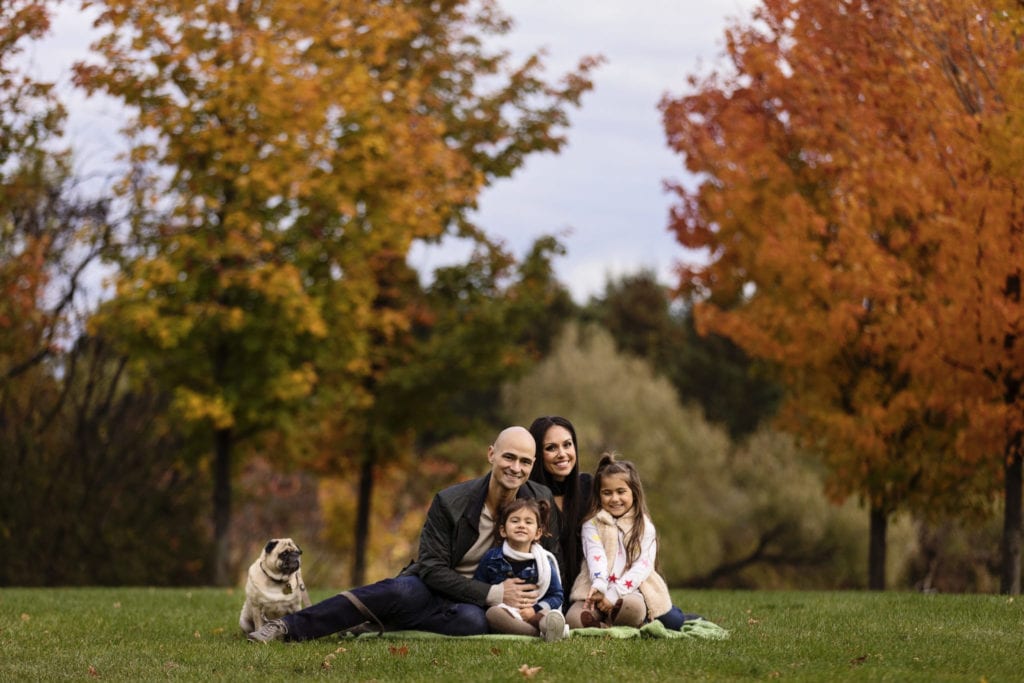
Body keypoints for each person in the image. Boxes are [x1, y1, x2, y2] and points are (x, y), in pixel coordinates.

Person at [247, 426, 555, 642]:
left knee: (472, 623)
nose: (516, 467)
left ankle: (381, 621)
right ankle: (286, 626)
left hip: (472, 605)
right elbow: (432, 568)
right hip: (433, 586)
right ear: (491, 454)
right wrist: (494, 593)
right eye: (509, 457)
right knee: (396, 592)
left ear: (533, 466)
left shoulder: (537, 501)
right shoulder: (451, 502)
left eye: (525, 461)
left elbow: (554, 557)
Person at [565, 453, 695, 630]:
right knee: (573, 620)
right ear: (598, 495)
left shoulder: (644, 526)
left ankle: (624, 618)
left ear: (633, 492)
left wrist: (614, 594)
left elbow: (643, 565)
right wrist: (601, 587)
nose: (615, 499)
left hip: (630, 591)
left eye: (621, 492)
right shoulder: (592, 524)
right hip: (596, 589)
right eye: (607, 493)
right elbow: (595, 556)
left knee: (668, 620)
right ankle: (607, 622)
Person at [473, 498, 568, 642]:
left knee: (547, 616)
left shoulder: (544, 562)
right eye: (515, 521)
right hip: (506, 612)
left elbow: (556, 595)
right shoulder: (492, 558)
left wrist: (534, 610)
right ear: (503, 530)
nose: (521, 525)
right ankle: (538, 634)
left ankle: (550, 627)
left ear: (537, 533)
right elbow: (478, 586)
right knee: (493, 614)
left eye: (528, 522)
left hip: (535, 611)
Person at [527, 416, 592, 594]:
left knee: (672, 618)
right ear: (537, 455)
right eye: (551, 448)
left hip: (590, 587)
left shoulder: (589, 487)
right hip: (547, 592)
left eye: (567, 444)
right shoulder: (528, 498)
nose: (562, 453)